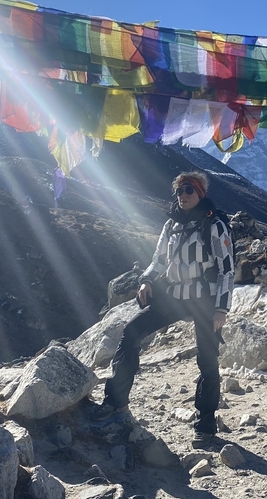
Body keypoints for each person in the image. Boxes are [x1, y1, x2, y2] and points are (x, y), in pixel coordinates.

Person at [95, 171, 234, 449]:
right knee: (131, 331)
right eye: (179, 192)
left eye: (188, 191)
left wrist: (221, 309)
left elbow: (227, 269)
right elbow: (157, 261)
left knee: (207, 359)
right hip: (174, 295)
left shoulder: (215, 225)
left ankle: (205, 423)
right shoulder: (171, 225)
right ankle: (115, 401)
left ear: (200, 193)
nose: (182, 196)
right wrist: (146, 281)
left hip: (205, 298)